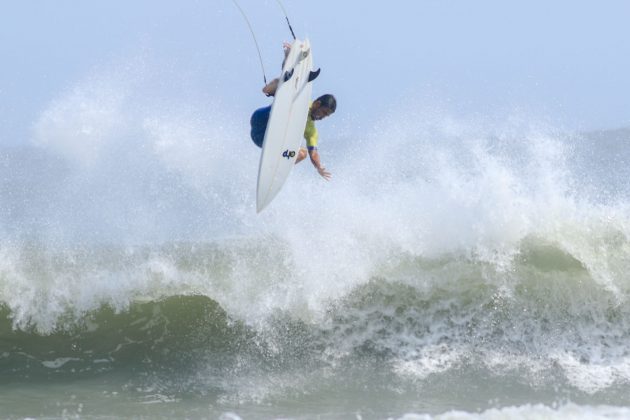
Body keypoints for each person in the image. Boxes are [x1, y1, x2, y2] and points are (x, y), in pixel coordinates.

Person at [250, 44, 337, 180]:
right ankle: (288, 58)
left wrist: (318, 166)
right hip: (262, 118)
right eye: (324, 112)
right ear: (318, 104)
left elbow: (313, 152)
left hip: (262, 139)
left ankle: (276, 168)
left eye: (326, 116)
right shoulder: (302, 99)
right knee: (288, 84)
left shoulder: (311, 130)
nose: (323, 117)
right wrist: (289, 59)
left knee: (302, 153)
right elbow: (291, 83)